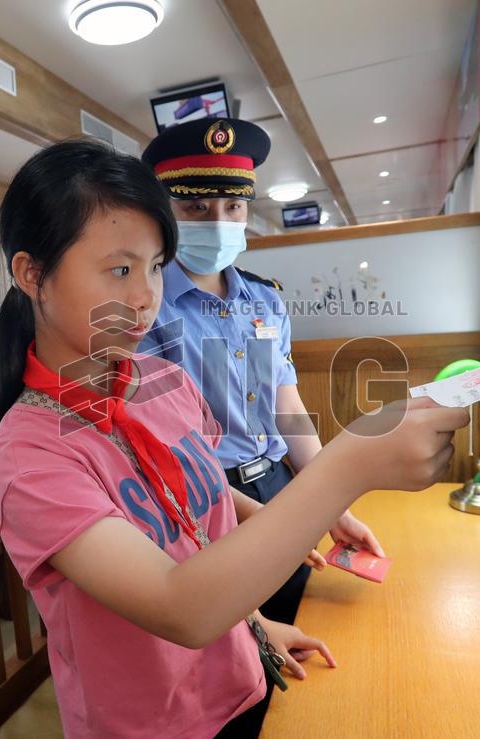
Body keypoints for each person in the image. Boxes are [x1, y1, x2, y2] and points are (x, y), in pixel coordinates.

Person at [0, 138, 468, 738]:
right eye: (120, 269)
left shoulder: (162, 379)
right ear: (33, 274)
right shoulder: (30, 455)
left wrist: (254, 629)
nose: (144, 297)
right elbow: (178, 605)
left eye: (156, 266)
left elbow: (201, 501)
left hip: (237, 677)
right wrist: (348, 468)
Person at [139, 118, 383, 628]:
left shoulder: (264, 299)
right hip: (202, 498)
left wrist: (330, 503)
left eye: (233, 207)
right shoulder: (147, 304)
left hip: (278, 484)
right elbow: (157, 440)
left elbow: (286, 407)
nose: (219, 220)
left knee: (294, 621)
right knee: (232, 639)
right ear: (164, 212)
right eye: (195, 208)